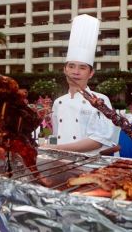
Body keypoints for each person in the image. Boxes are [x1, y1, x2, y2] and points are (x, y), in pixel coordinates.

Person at [46, 14, 115, 153]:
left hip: (89, 165)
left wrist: (56, 148)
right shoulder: (58, 102)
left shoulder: (100, 101)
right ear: (65, 70)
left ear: (91, 73)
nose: (75, 72)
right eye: (71, 66)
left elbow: (98, 141)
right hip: (62, 162)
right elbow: (55, 134)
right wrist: (48, 146)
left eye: (82, 67)